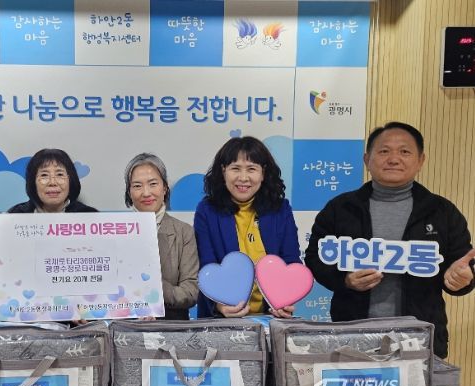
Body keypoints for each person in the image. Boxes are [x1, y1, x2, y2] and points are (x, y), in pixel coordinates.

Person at [305, 122, 475, 359]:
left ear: (421, 160)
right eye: (384, 151)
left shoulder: (442, 211)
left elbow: (461, 264)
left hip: (419, 338)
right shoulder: (341, 208)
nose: (394, 159)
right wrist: (345, 280)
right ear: (367, 159)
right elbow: (315, 257)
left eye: (404, 151)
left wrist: (462, 280)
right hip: (352, 335)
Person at [194, 136, 301, 318]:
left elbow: (291, 260)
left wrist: (286, 299)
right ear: (223, 171)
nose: (243, 178)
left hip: (271, 317)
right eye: (235, 168)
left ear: (263, 173)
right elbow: (206, 265)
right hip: (221, 319)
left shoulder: (280, 209)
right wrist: (219, 304)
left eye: (251, 169)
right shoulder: (207, 211)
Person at [124, 153, 199, 320]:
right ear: (129, 192)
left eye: (153, 184)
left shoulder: (184, 232)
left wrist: (155, 289)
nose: (146, 193)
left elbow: (190, 291)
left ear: (164, 188)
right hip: (125, 325)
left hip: (172, 326)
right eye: (137, 186)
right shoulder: (113, 232)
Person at [5, 148, 97, 214]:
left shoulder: (89, 215)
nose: (52, 183)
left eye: (59, 174)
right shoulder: (16, 214)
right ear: (33, 182)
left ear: (70, 180)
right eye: (44, 175)